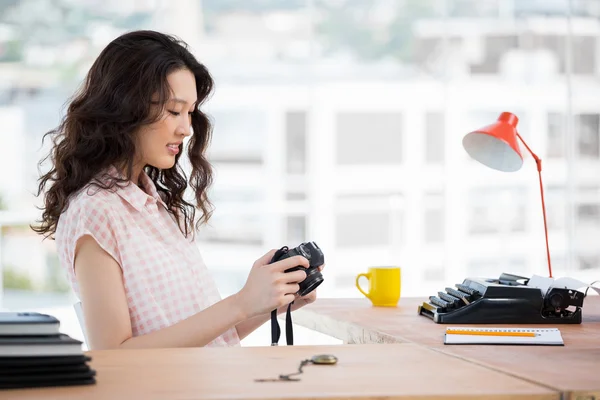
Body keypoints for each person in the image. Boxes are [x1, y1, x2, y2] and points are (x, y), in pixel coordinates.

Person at [33, 30, 322, 350]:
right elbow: (113, 356)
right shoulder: (96, 211)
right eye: (174, 111)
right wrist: (241, 302)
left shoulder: (155, 206)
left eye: (190, 112)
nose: (185, 129)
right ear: (126, 108)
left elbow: (205, 340)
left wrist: (267, 304)